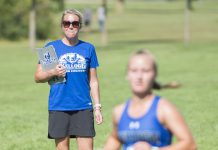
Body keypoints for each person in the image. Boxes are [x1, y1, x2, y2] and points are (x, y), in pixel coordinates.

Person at [34, 9, 103, 150]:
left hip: (83, 107)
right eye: (67, 23)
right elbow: (38, 77)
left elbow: (93, 81)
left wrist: (97, 107)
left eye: (75, 23)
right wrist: (52, 72)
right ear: (62, 25)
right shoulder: (50, 48)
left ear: (80, 26)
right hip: (59, 106)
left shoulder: (88, 48)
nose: (70, 26)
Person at [104, 50, 196, 150]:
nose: (139, 77)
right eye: (134, 71)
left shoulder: (164, 109)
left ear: (155, 74)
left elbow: (190, 145)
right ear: (127, 74)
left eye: (145, 71)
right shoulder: (119, 112)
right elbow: (115, 138)